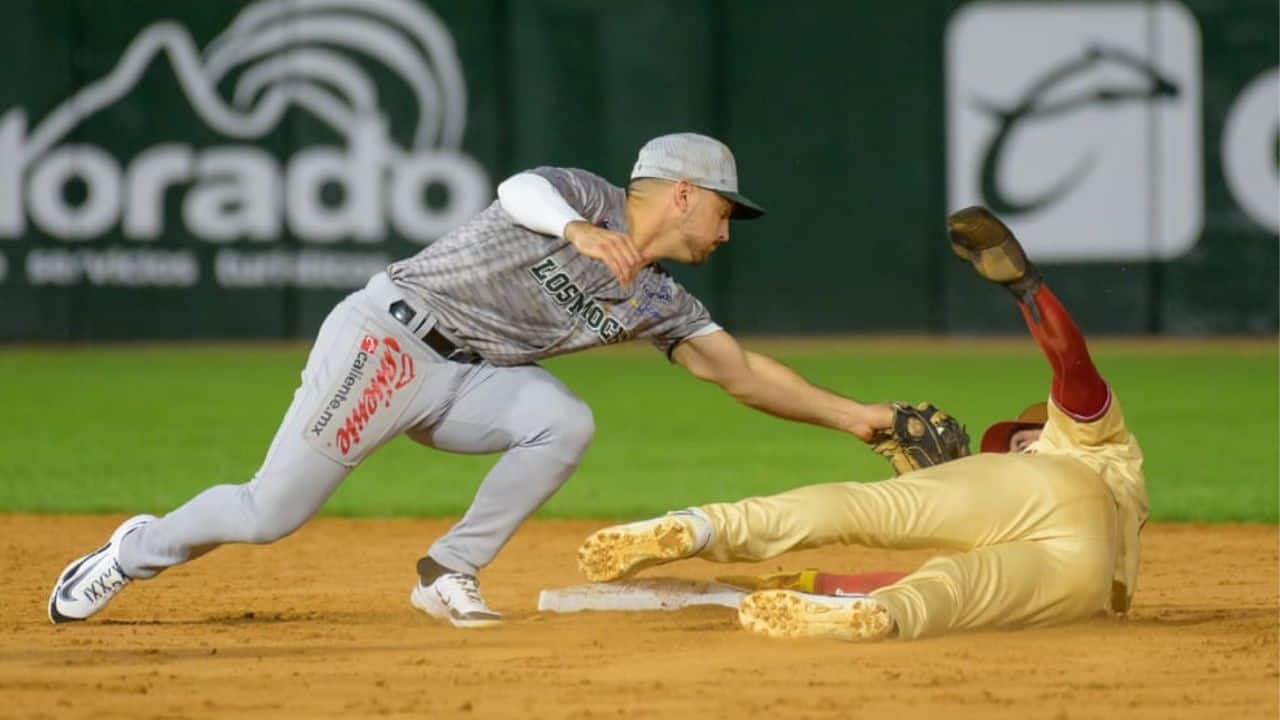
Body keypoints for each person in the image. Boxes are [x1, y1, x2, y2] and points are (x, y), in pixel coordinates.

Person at [48, 133, 894, 628]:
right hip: (389, 342)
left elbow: (739, 373)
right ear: (681, 194)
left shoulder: (660, 299)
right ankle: (134, 550)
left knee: (564, 424)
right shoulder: (581, 198)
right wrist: (576, 229)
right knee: (271, 513)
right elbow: (517, 189)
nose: (728, 230)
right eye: (724, 210)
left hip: (469, 381)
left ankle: (445, 573)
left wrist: (859, 417)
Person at [577, 206, 1149, 641]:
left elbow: (1072, 365)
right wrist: (815, 587)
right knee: (950, 593)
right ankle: (876, 618)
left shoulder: (1080, 436)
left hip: (1058, 492)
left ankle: (703, 527)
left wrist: (1027, 288)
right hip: (1087, 582)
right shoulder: (1110, 475)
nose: (1016, 444)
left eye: (1022, 438)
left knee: (863, 509)